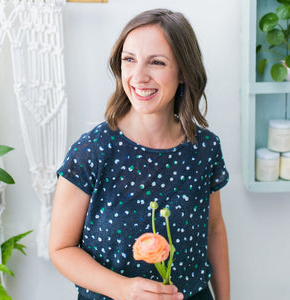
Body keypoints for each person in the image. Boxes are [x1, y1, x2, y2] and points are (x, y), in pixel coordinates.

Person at [49, 8, 230, 300]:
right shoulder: (92, 151)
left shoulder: (205, 149)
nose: (138, 76)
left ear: (183, 71)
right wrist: (123, 289)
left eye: (156, 62)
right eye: (129, 60)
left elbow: (214, 228)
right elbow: (60, 248)